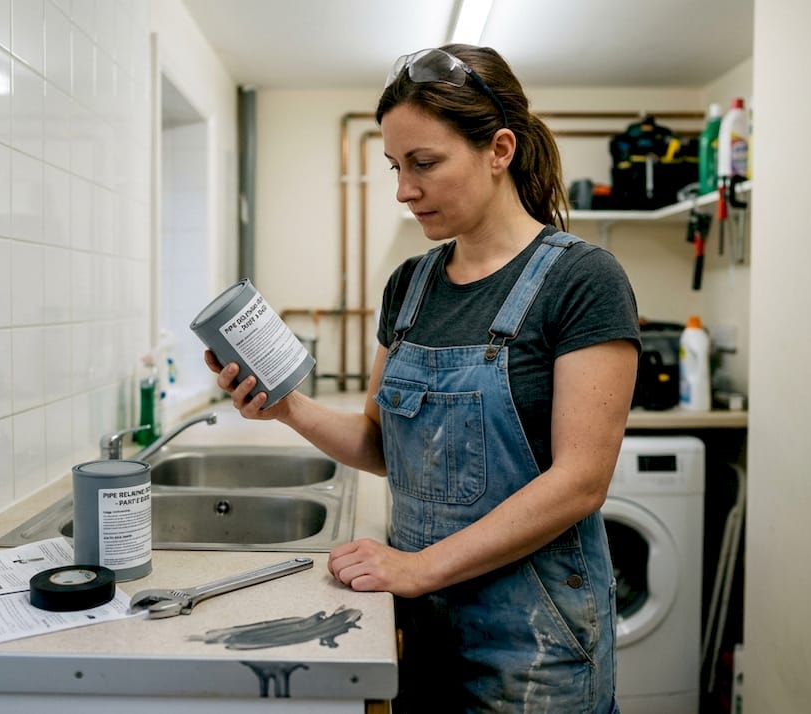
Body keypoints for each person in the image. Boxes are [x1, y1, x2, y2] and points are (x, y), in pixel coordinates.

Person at [206, 44, 639, 713]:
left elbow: (581, 481)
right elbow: (383, 445)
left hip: (536, 646)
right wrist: (286, 408)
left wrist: (416, 568)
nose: (405, 190)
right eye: (395, 167)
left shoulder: (582, 280)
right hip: (423, 629)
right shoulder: (411, 287)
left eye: (424, 163)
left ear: (499, 150)